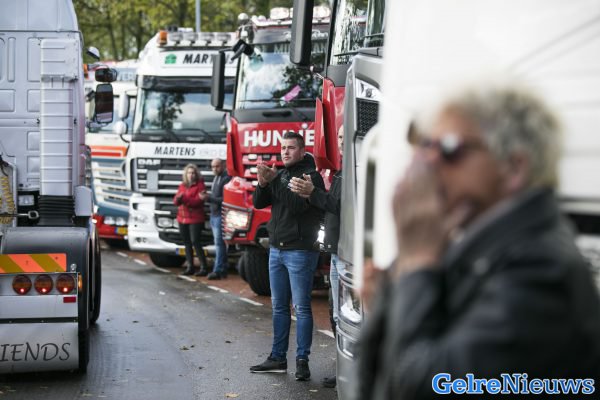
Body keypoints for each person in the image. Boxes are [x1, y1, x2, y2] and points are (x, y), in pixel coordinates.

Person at [357, 80, 600, 399]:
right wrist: (396, 293)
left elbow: (420, 388)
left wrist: (416, 263)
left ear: (513, 167)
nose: (425, 163)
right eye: (425, 147)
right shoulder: (474, 247)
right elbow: (378, 377)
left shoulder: (540, 272)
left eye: (448, 149)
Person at [249, 131, 325, 381]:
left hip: (300, 251)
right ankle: (278, 358)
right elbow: (259, 203)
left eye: (291, 148)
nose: (285, 152)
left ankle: (302, 361)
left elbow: (297, 205)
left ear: (302, 151)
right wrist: (263, 184)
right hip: (276, 250)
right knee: (279, 306)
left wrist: (275, 182)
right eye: (283, 148)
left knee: (301, 307)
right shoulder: (280, 175)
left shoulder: (310, 176)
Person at [289, 125, 344, 388]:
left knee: (343, 314)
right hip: (335, 250)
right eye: (339, 137)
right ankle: (343, 369)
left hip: (345, 253)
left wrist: (313, 193)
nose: (341, 141)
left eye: (344, 136)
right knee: (336, 313)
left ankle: (349, 371)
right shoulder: (341, 171)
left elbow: (341, 206)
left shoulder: (352, 172)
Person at [173, 163, 210, 276]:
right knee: (187, 243)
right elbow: (175, 201)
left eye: (193, 173)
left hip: (195, 218)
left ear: (196, 174)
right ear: (186, 174)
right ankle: (190, 266)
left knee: (196, 242)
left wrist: (183, 199)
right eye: (189, 173)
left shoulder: (200, 186)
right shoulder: (182, 186)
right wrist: (178, 199)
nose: (191, 175)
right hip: (182, 218)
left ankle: (203, 267)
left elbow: (197, 202)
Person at [206, 158, 231, 280]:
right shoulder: (216, 178)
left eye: (217, 166)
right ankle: (223, 268)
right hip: (214, 214)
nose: (214, 169)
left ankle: (218, 270)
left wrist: (209, 198)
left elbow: (225, 199)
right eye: (213, 167)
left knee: (219, 244)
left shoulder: (226, 178)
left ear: (223, 165)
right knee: (219, 243)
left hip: (220, 215)